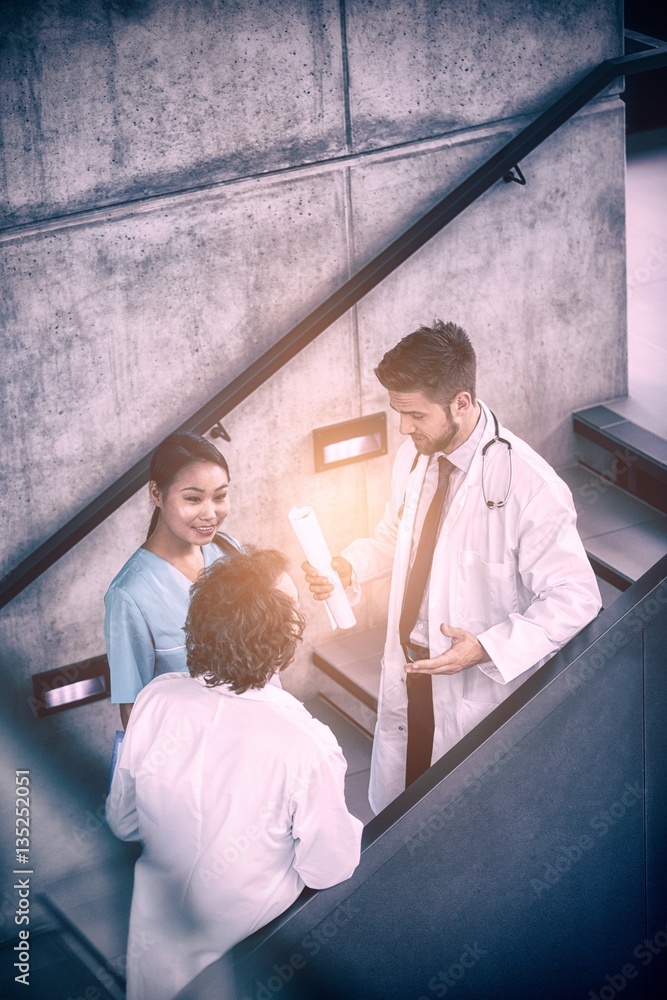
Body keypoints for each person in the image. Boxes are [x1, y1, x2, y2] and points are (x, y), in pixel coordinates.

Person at [303, 321, 601, 814]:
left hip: (474, 683)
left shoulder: (530, 487)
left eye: (415, 414)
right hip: (411, 670)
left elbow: (576, 597)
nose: (403, 428)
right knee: (403, 811)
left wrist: (484, 648)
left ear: (461, 402)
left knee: (459, 826)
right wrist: (349, 567)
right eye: (399, 413)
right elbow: (395, 538)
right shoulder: (414, 457)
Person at [106, 548, 363, 1000]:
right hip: (250, 964)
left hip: (151, 960)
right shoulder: (307, 744)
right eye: (292, 606)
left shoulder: (155, 700)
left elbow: (122, 822)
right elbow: (329, 867)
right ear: (283, 636)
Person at [104, 431, 241, 728]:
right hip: (190, 750)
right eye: (193, 499)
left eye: (220, 496)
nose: (210, 514)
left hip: (253, 730)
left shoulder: (229, 551)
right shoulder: (129, 595)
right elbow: (133, 709)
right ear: (156, 493)